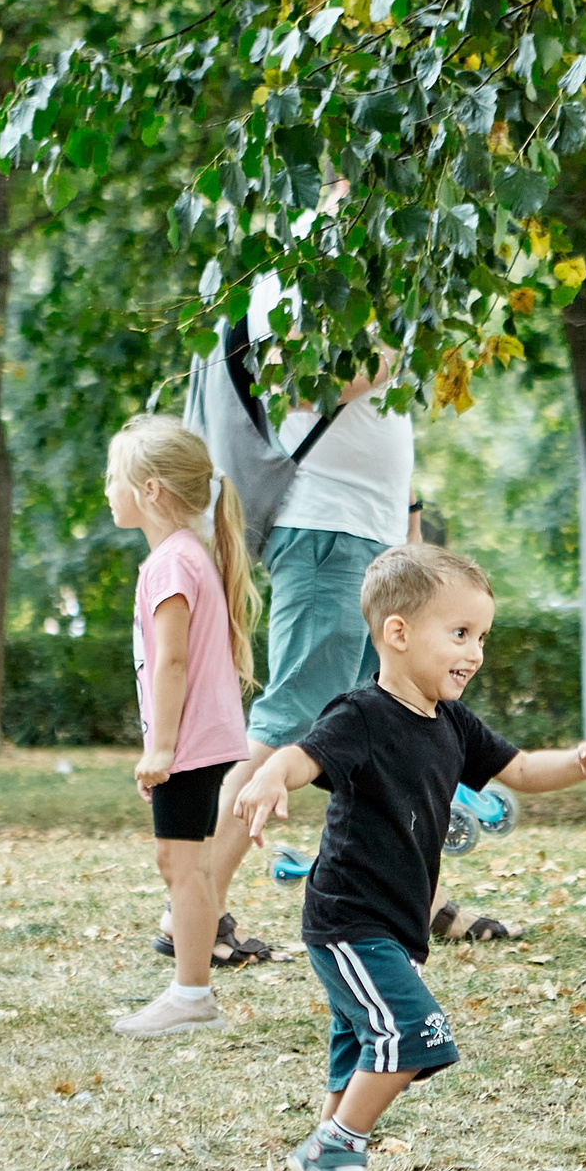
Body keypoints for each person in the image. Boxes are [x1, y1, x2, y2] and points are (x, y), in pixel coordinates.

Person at [236, 544, 586, 1171]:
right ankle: (332, 1155)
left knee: (357, 1054)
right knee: (414, 1034)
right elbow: (302, 756)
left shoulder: (452, 723)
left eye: (482, 637)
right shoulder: (361, 714)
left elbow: (521, 770)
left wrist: (576, 761)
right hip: (349, 920)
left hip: (398, 925)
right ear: (399, 632)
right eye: (460, 633)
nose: (474, 652)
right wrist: (267, 777)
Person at [193, 362, 424, 960]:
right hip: (326, 528)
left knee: (379, 726)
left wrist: (410, 524)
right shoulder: (314, 300)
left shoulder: (387, 310)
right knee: (289, 721)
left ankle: (414, 902)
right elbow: (296, 387)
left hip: (369, 531)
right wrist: (391, 356)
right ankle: (193, 912)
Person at [102, 417, 260, 1038]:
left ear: (151, 491)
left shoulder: (170, 564)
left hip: (190, 743)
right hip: (205, 739)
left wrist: (161, 748)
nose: (107, 491)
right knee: (182, 864)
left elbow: (172, 661)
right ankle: (190, 991)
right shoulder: (188, 555)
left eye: (113, 478)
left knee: (183, 866)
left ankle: (192, 996)